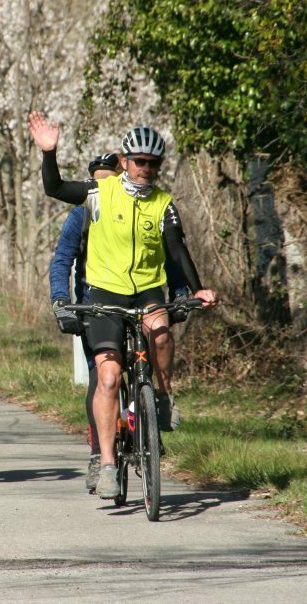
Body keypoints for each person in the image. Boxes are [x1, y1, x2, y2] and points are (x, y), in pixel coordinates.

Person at [30, 112, 217, 500]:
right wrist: (49, 153)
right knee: (110, 378)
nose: (146, 169)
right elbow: (55, 187)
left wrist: (196, 290)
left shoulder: (164, 203)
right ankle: (108, 464)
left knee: (161, 333)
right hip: (104, 294)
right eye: (139, 162)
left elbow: (177, 252)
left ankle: (162, 397)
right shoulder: (98, 193)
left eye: (153, 164)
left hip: (147, 291)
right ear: (125, 160)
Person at [48, 152, 191, 492]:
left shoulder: (139, 206)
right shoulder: (81, 214)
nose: (101, 184)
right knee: (104, 378)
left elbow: (168, 253)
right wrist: (61, 300)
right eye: (95, 178)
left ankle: (153, 413)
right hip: (92, 306)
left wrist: (183, 293)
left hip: (137, 298)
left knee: (154, 341)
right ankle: (102, 456)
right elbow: (61, 262)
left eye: (106, 176)